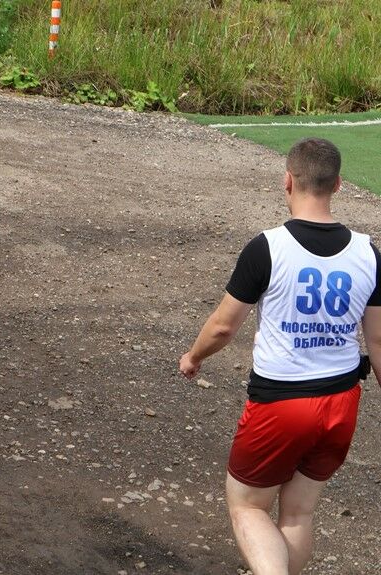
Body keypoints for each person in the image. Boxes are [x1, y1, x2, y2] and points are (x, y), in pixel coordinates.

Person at [179, 137, 381, 575]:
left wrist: (193, 357)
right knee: (298, 513)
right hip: (342, 403)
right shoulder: (368, 253)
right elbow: (379, 342)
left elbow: (223, 326)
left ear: (287, 180)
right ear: (338, 184)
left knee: (248, 506)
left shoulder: (268, 248)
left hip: (282, 404)